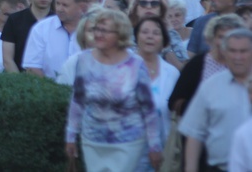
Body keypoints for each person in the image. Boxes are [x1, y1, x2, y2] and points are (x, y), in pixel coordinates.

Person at [65, 9, 163, 171]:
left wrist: (154, 145)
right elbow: (78, 100)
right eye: (97, 29)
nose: (98, 34)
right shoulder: (84, 60)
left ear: (120, 35)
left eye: (105, 30)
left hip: (127, 142)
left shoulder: (135, 64)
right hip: (92, 141)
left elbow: (148, 109)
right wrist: (70, 136)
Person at [179, 29, 252, 171]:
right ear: (224, 52)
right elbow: (194, 133)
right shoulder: (210, 86)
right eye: (232, 51)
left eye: (243, 51)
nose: (238, 57)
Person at [168, 15, 246, 116]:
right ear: (212, 38)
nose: (225, 42)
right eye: (221, 37)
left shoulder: (245, 64)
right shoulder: (198, 63)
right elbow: (174, 102)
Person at [134, 17, 180, 171]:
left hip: (163, 153)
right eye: (145, 32)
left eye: (156, 33)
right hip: (128, 152)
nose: (150, 36)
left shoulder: (172, 73)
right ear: (136, 36)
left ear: (164, 41)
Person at [23, 0, 87, 79]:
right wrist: (53, 90)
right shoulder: (41, 29)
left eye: (65, 5)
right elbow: (32, 68)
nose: (60, 9)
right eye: (57, 3)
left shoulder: (93, 29)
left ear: (80, 7)